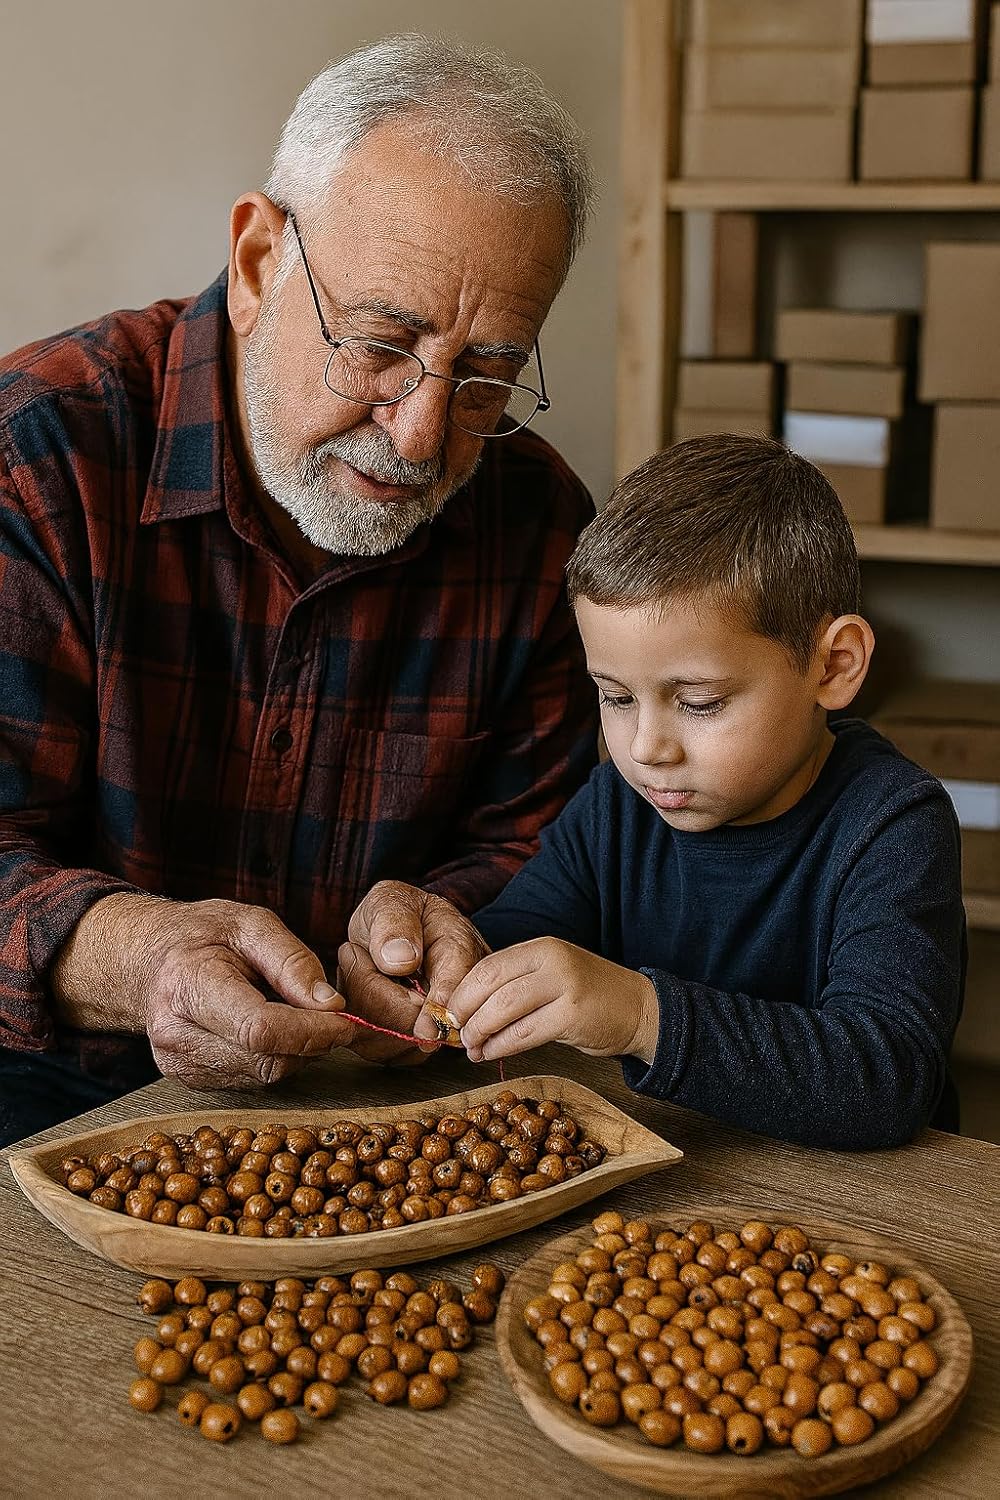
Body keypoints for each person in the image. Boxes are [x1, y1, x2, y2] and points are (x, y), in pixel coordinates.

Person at [0, 35, 599, 1144]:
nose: (420, 433)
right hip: (41, 1090)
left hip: (384, 1100)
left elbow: (548, 844)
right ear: (258, 262)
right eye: (379, 343)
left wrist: (447, 918)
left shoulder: (541, 527)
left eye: (488, 374)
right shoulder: (38, 456)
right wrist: (139, 961)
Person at [372, 436, 966, 1149]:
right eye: (616, 699)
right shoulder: (620, 805)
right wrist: (437, 970)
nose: (647, 748)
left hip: (862, 1210)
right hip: (671, 1174)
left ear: (833, 666)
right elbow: (518, 940)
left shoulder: (893, 823)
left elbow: (886, 1079)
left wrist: (642, 1016)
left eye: (700, 702)